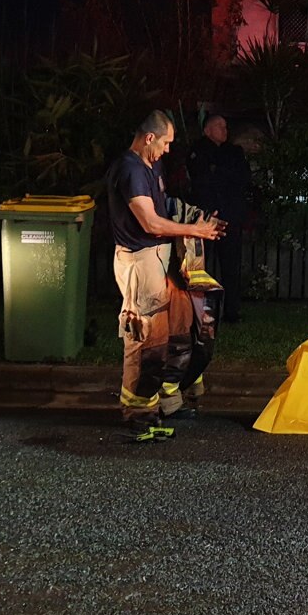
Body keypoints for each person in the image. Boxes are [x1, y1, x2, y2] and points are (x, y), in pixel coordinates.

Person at [105, 110, 223, 443]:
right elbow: (151, 223)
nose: (168, 151)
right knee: (143, 338)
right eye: (166, 143)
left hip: (158, 260)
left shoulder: (149, 166)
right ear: (149, 138)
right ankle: (139, 412)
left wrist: (195, 217)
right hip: (140, 263)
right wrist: (193, 228)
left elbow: (163, 205)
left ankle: (163, 403)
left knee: (175, 334)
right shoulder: (129, 170)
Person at [187, 111, 251, 324]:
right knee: (201, 265)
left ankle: (231, 310)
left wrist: (218, 171)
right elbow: (201, 178)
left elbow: (242, 178)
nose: (225, 130)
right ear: (207, 130)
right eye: (219, 126)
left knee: (230, 265)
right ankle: (199, 310)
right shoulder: (198, 150)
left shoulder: (234, 151)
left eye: (225, 126)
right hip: (206, 218)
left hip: (230, 216)